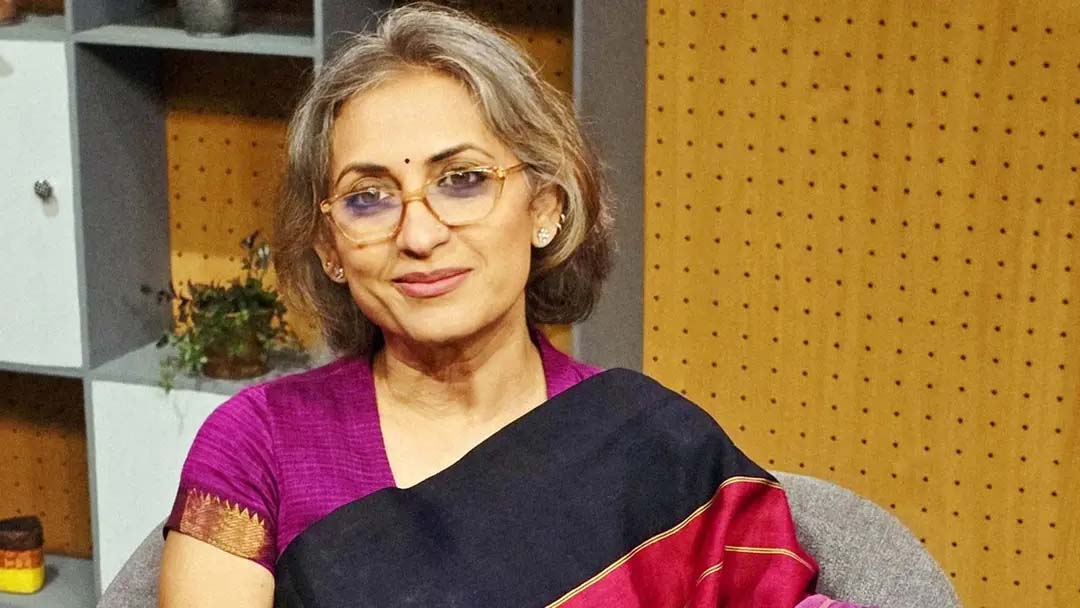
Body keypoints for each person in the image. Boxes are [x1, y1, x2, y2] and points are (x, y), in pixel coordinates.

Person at [158, 4, 867, 607]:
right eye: (368, 198)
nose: (420, 235)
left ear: (545, 209)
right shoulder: (260, 445)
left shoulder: (650, 447)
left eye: (463, 180)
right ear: (330, 248)